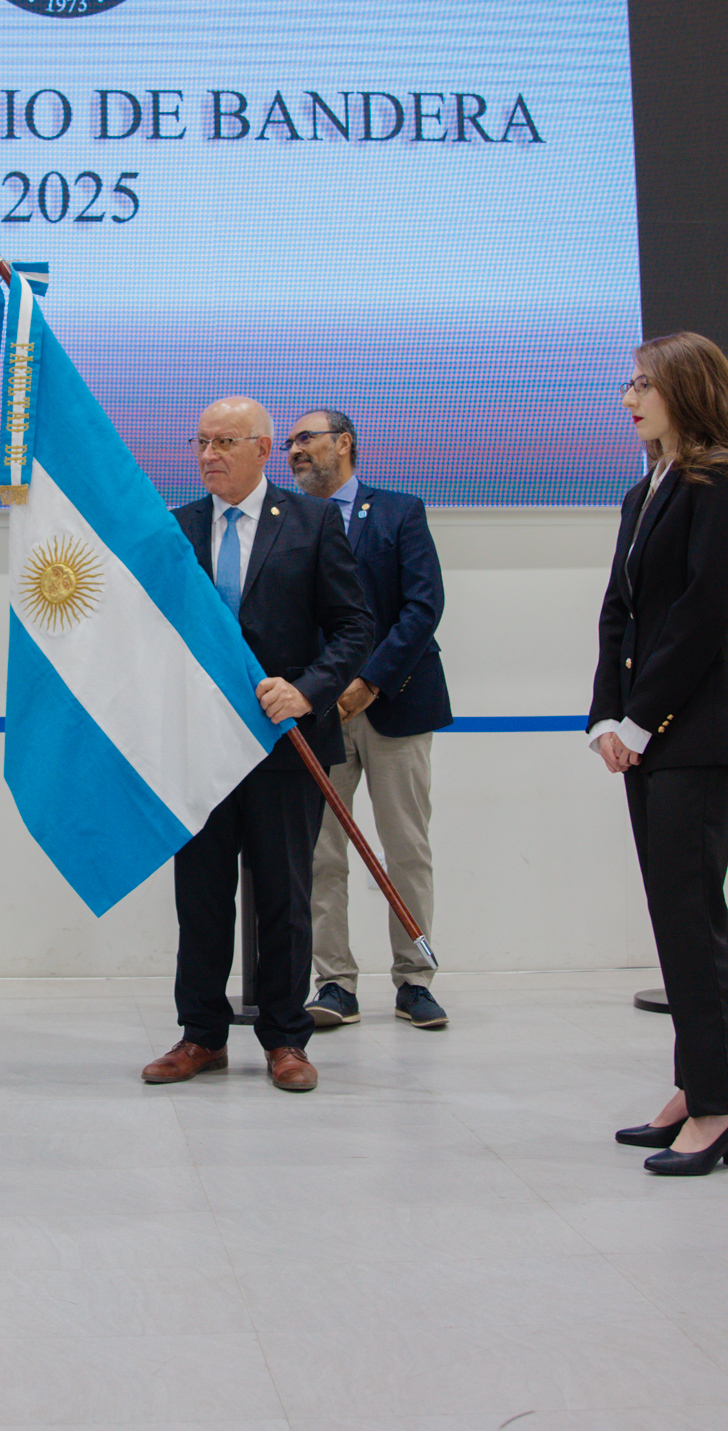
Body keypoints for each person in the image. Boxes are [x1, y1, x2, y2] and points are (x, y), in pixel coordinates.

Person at [137, 396, 374, 1094]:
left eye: (224, 442)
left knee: (285, 895)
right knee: (202, 896)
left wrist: (308, 690)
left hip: (286, 745)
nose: (208, 455)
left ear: (264, 449)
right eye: (200, 442)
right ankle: (200, 1034)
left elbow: (354, 627)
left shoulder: (312, 521)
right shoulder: (176, 528)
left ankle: (285, 1038)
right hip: (200, 749)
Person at [589, 332, 728, 1176]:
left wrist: (642, 719)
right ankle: (696, 1086)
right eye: (629, 385)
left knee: (693, 919)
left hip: (697, 730)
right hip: (651, 732)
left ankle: (719, 1106)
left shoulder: (720, 479)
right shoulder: (645, 489)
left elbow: (704, 611)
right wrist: (605, 713)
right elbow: (618, 610)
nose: (629, 399)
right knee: (674, 915)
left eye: (643, 384)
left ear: (687, 389)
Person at [285, 408, 453, 1033]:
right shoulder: (288, 520)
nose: (294, 450)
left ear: (345, 444)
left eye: (306, 438)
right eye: (291, 442)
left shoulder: (399, 512)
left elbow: (422, 607)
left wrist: (370, 682)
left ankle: (415, 980)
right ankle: (335, 983)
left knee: (406, 847)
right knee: (322, 852)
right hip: (319, 711)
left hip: (396, 704)